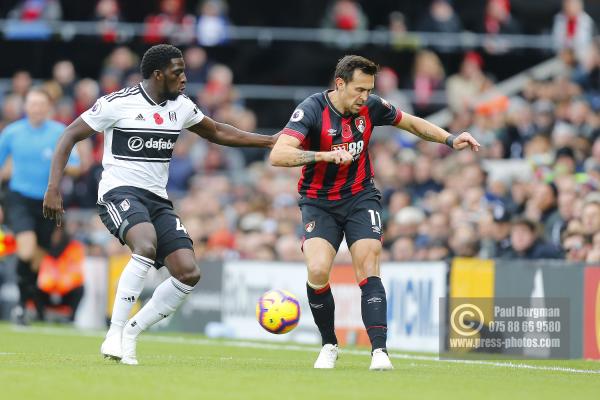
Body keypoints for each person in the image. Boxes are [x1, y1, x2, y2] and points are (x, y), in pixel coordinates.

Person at [43, 44, 276, 365]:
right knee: (145, 245)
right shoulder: (118, 103)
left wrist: (268, 140)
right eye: (177, 71)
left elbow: (219, 131)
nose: (184, 78)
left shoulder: (181, 106)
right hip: (118, 193)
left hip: (156, 199)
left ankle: (131, 333)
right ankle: (115, 329)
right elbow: (68, 135)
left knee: (189, 273)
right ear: (158, 74)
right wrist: (54, 186)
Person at [269, 55, 480, 370]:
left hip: (360, 197)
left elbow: (410, 122)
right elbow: (278, 154)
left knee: (368, 264)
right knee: (317, 270)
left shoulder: (372, 106)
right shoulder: (312, 109)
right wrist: (323, 156)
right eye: (358, 89)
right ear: (339, 84)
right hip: (318, 201)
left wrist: (450, 138)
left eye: (368, 90)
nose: (364, 97)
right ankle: (329, 344)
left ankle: (379, 351)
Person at [0, 88, 80, 325]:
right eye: (32, 104)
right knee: (25, 250)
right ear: (26, 107)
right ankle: (23, 307)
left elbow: (76, 165)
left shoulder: (59, 132)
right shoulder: (12, 133)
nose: (36, 108)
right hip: (19, 198)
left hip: (48, 201)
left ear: (49, 107)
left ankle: (26, 304)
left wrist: (57, 163)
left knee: (36, 260)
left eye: (40, 104)